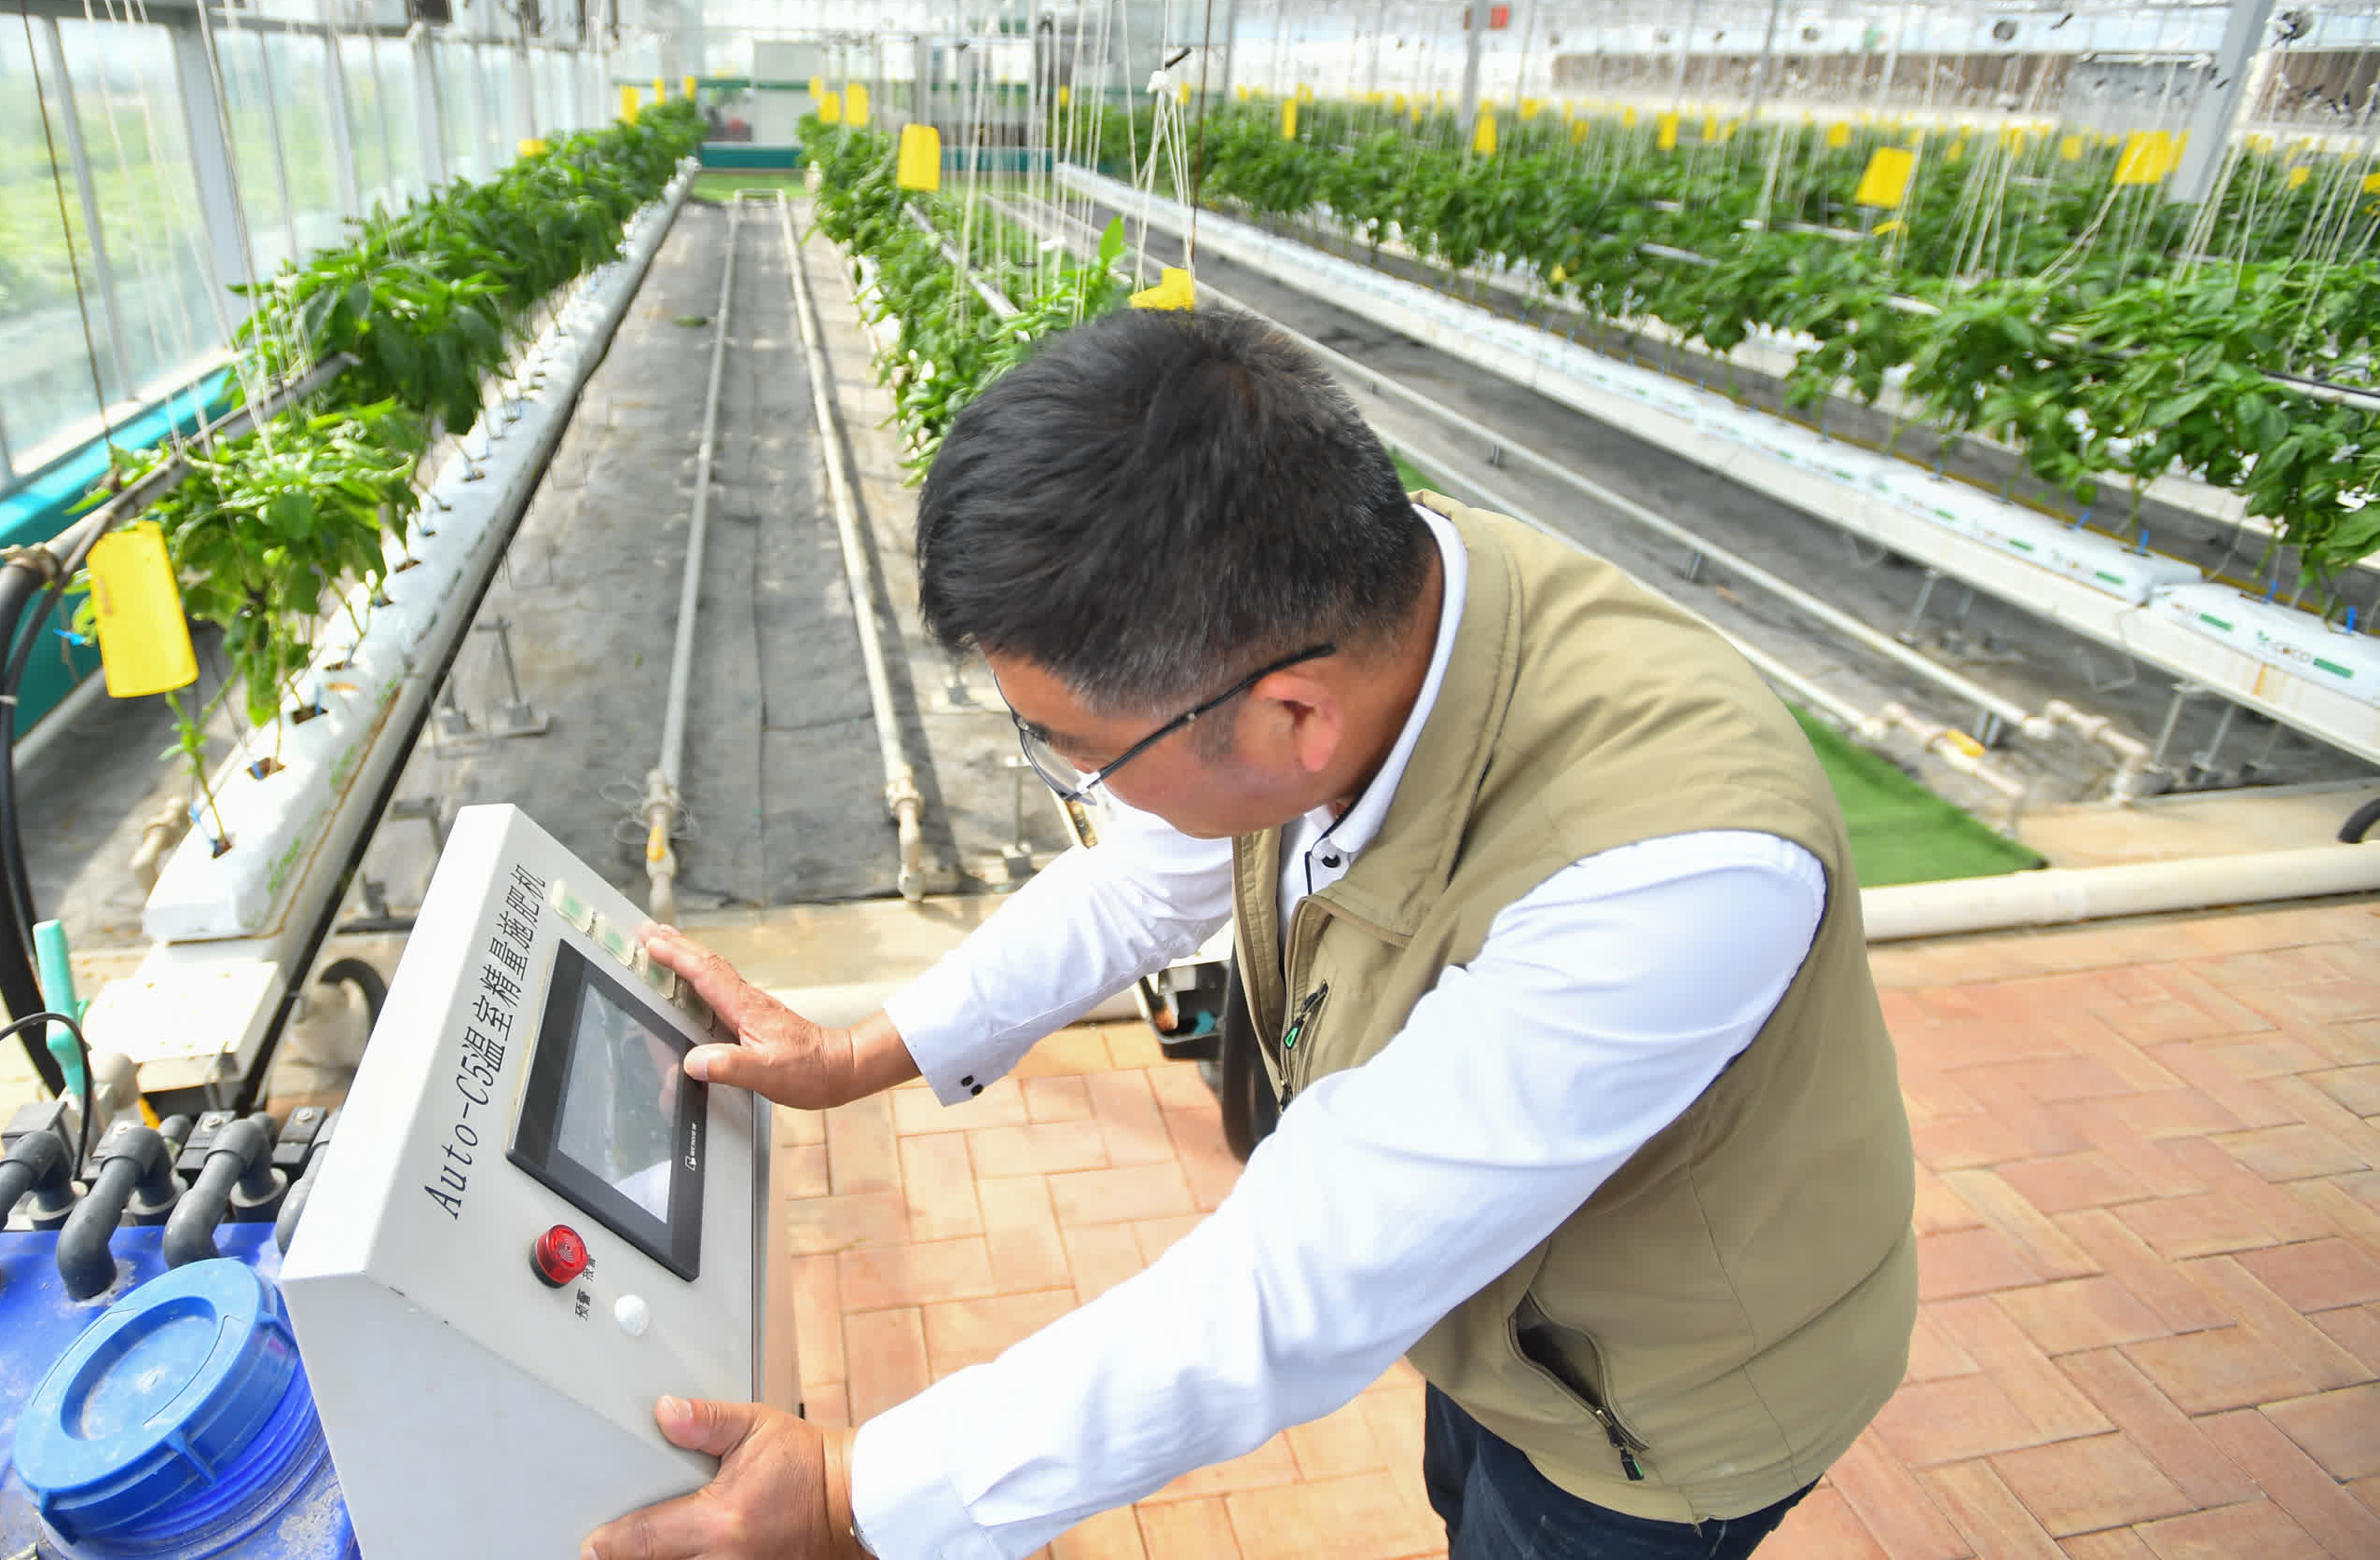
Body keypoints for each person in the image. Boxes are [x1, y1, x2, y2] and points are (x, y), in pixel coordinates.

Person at [583, 310, 1915, 1560]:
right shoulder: (1356, 608)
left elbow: (1296, 1285)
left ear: (1292, 722)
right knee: (1473, 1478)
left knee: (1532, 1519)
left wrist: (850, 1492)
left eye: (1083, 756)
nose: (1083, 789)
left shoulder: (1671, 874)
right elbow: (1145, 881)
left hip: (1659, 1411)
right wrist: (859, 1052)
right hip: (1510, 1314)